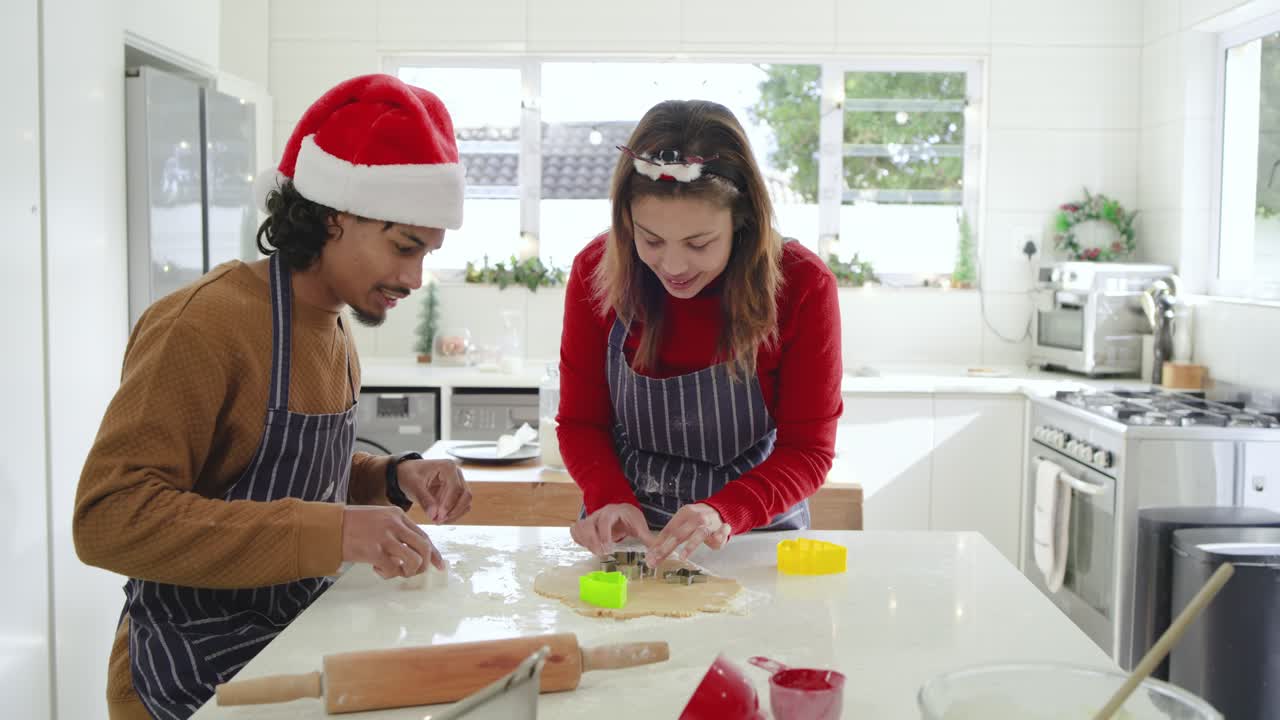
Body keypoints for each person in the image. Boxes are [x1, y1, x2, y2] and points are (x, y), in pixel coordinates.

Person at [73, 73, 473, 720]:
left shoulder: (334, 326)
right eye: (404, 247)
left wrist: (391, 479)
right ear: (334, 216)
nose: (413, 278)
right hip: (187, 677)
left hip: (282, 652)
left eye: (427, 253)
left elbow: (266, 477)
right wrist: (334, 530)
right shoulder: (203, 325)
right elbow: (109, 519)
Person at [556, 99, 844, 569]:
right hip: (631, 537)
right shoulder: (597, 271)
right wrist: (607, 497)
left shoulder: (802, 285)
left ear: (743, 221)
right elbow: (581, 423)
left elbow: (808, 450)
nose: (672, 266)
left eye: (699, 243)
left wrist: (724, 511)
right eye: (650, 239)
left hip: (752, 536)